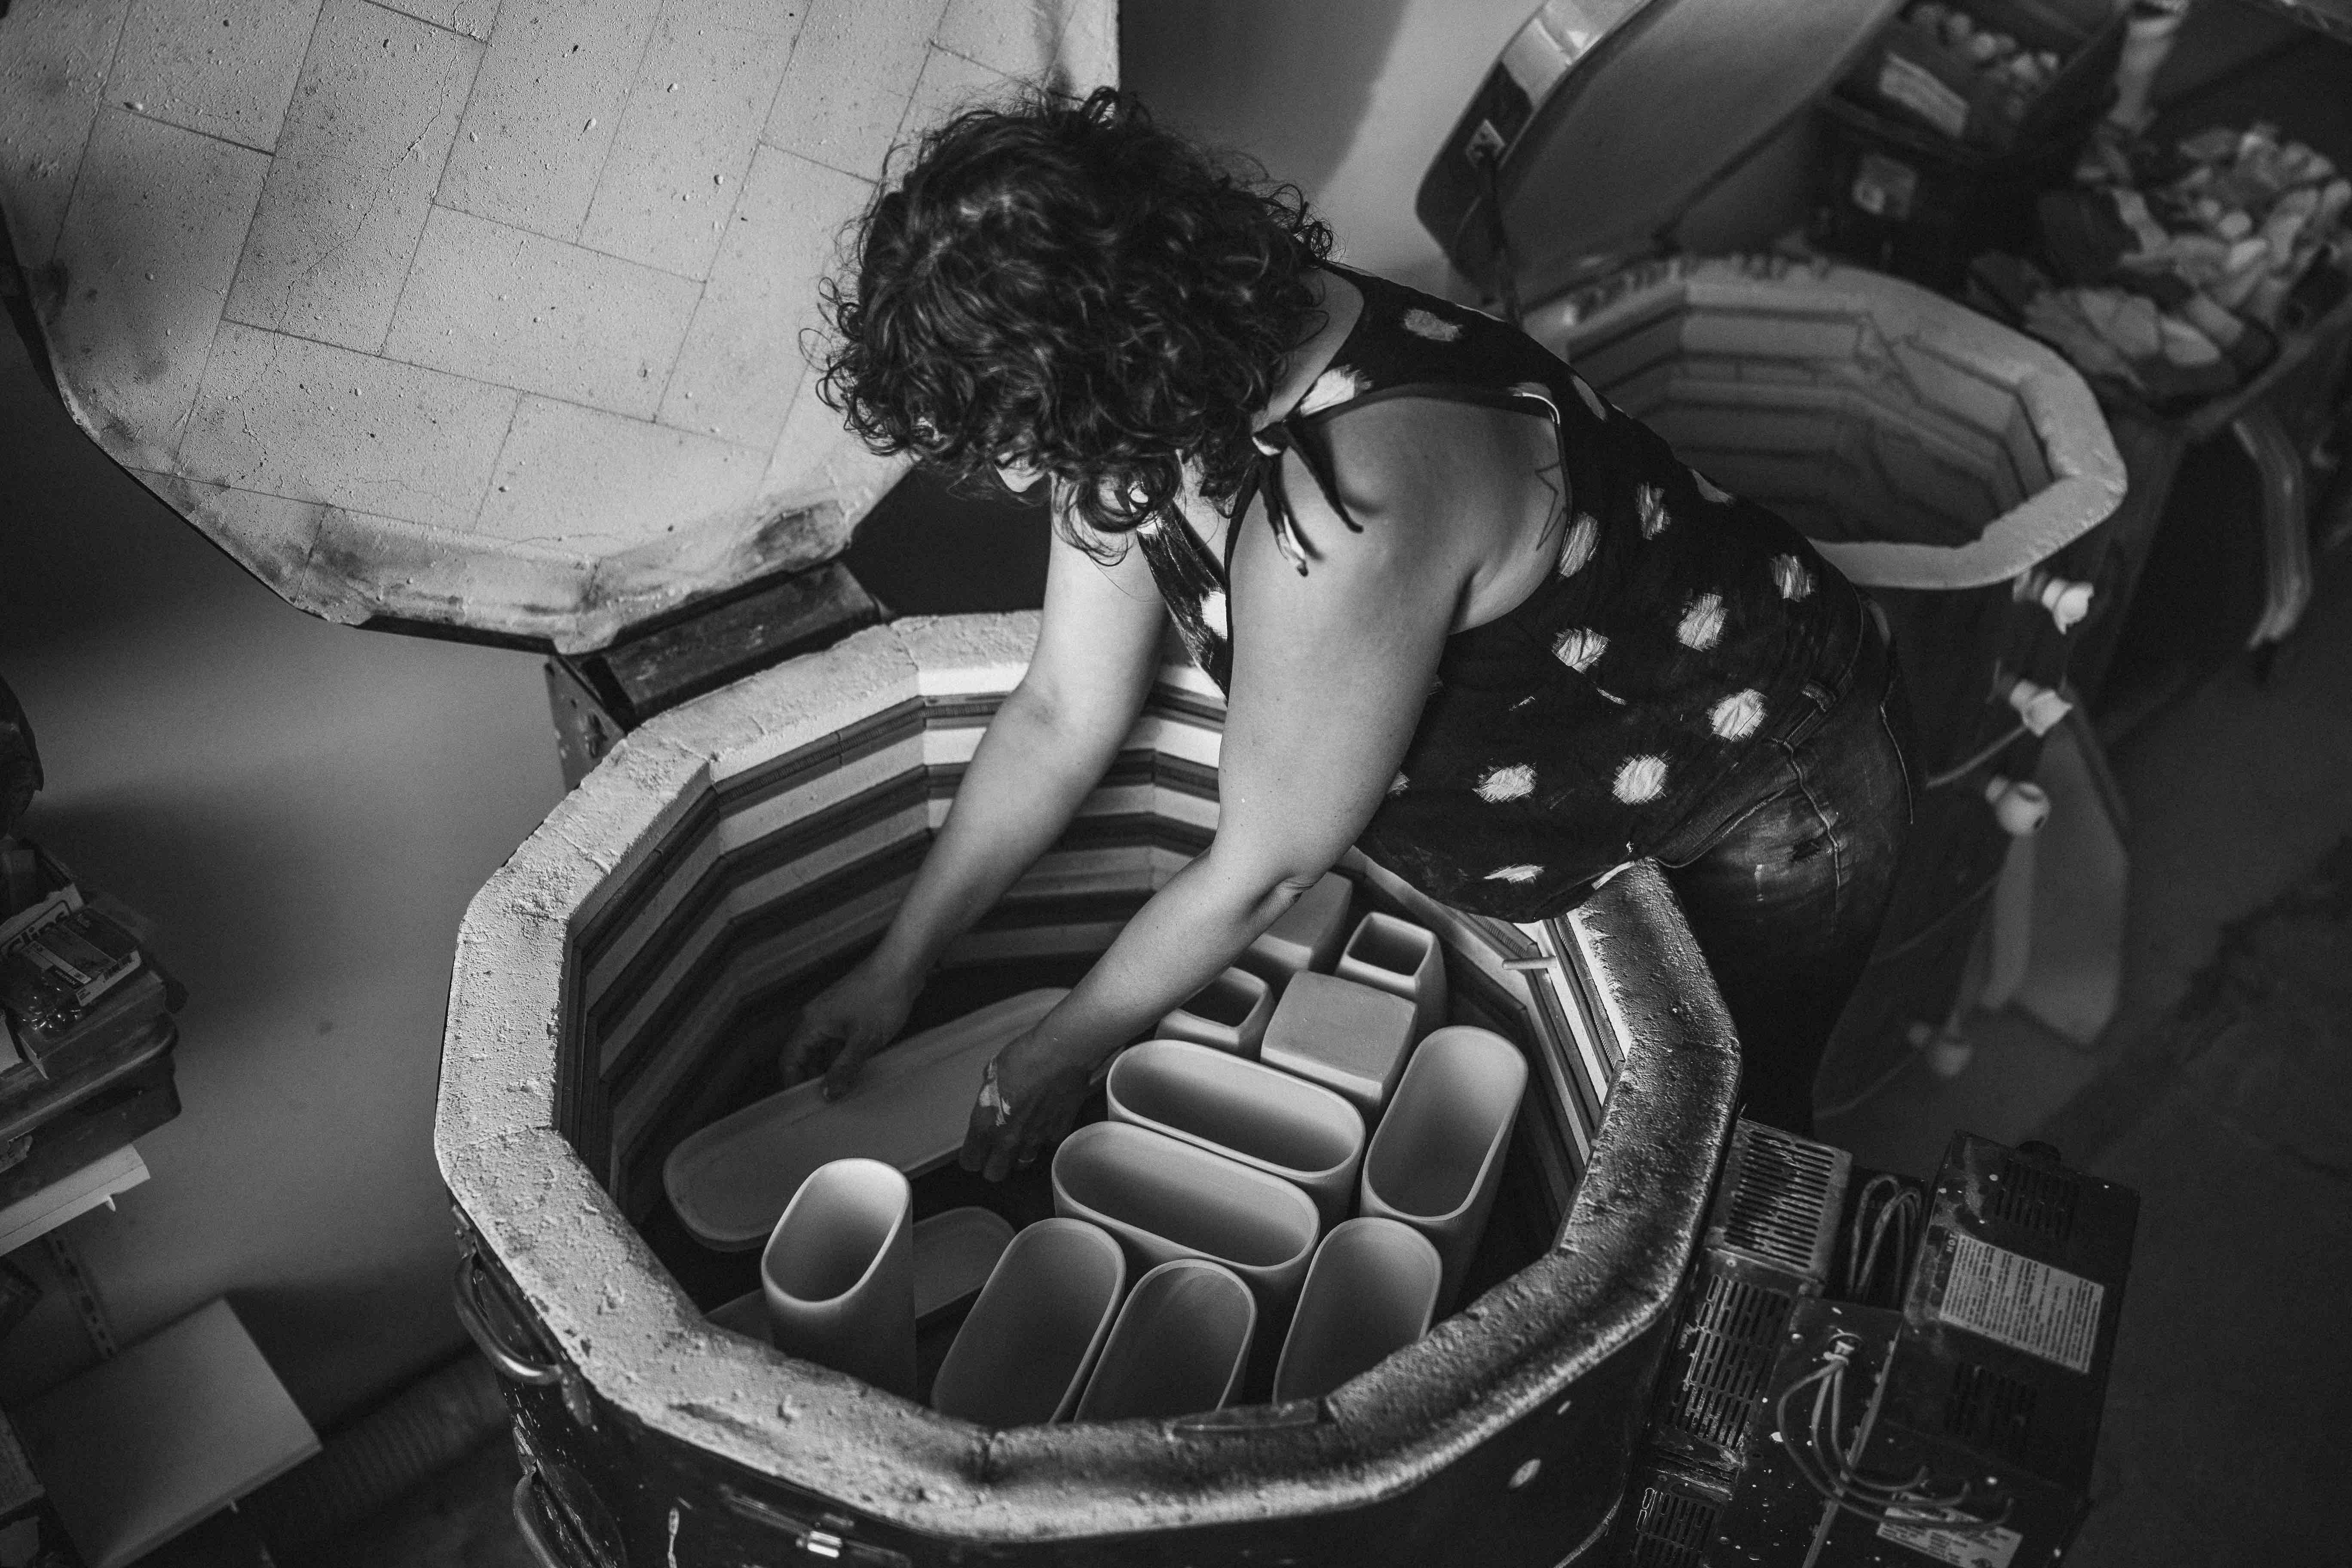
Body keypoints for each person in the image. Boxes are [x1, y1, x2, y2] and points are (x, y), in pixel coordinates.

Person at [779, 87, 1913, 1173]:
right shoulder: (1155, 380)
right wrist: (899, 967)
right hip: (1595, 756)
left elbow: (1263, 873)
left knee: (1735, 1142)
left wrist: (1057, 1054)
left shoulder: (1349, 505)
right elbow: (1061, 710)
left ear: (1113, 370)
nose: (1022, 481)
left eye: (1024, 448)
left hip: (1768, 780)